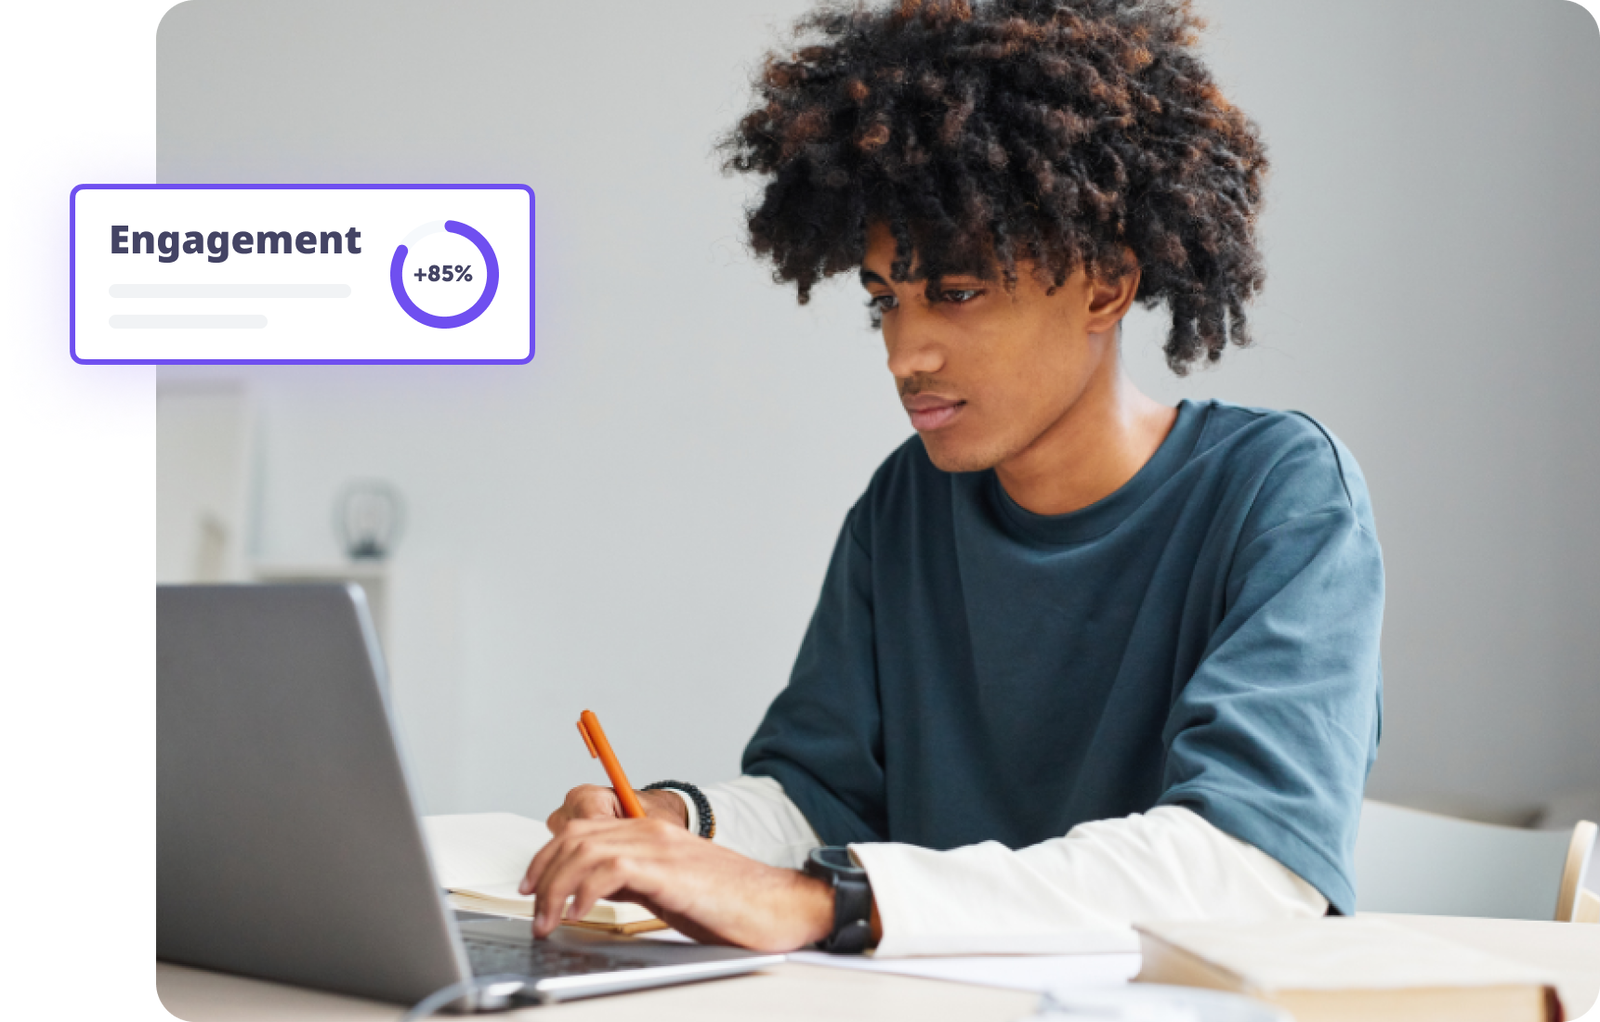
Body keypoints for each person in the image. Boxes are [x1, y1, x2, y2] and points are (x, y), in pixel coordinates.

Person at [519, 0, 1383, 955]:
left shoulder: (1280, 494)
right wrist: (680, 825)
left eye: (957, 292)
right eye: (884, 301)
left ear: (1105, 285)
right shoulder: (907, 502)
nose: (905, 355)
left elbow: (1251, 863)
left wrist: (832, 903)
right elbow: (824, 794)